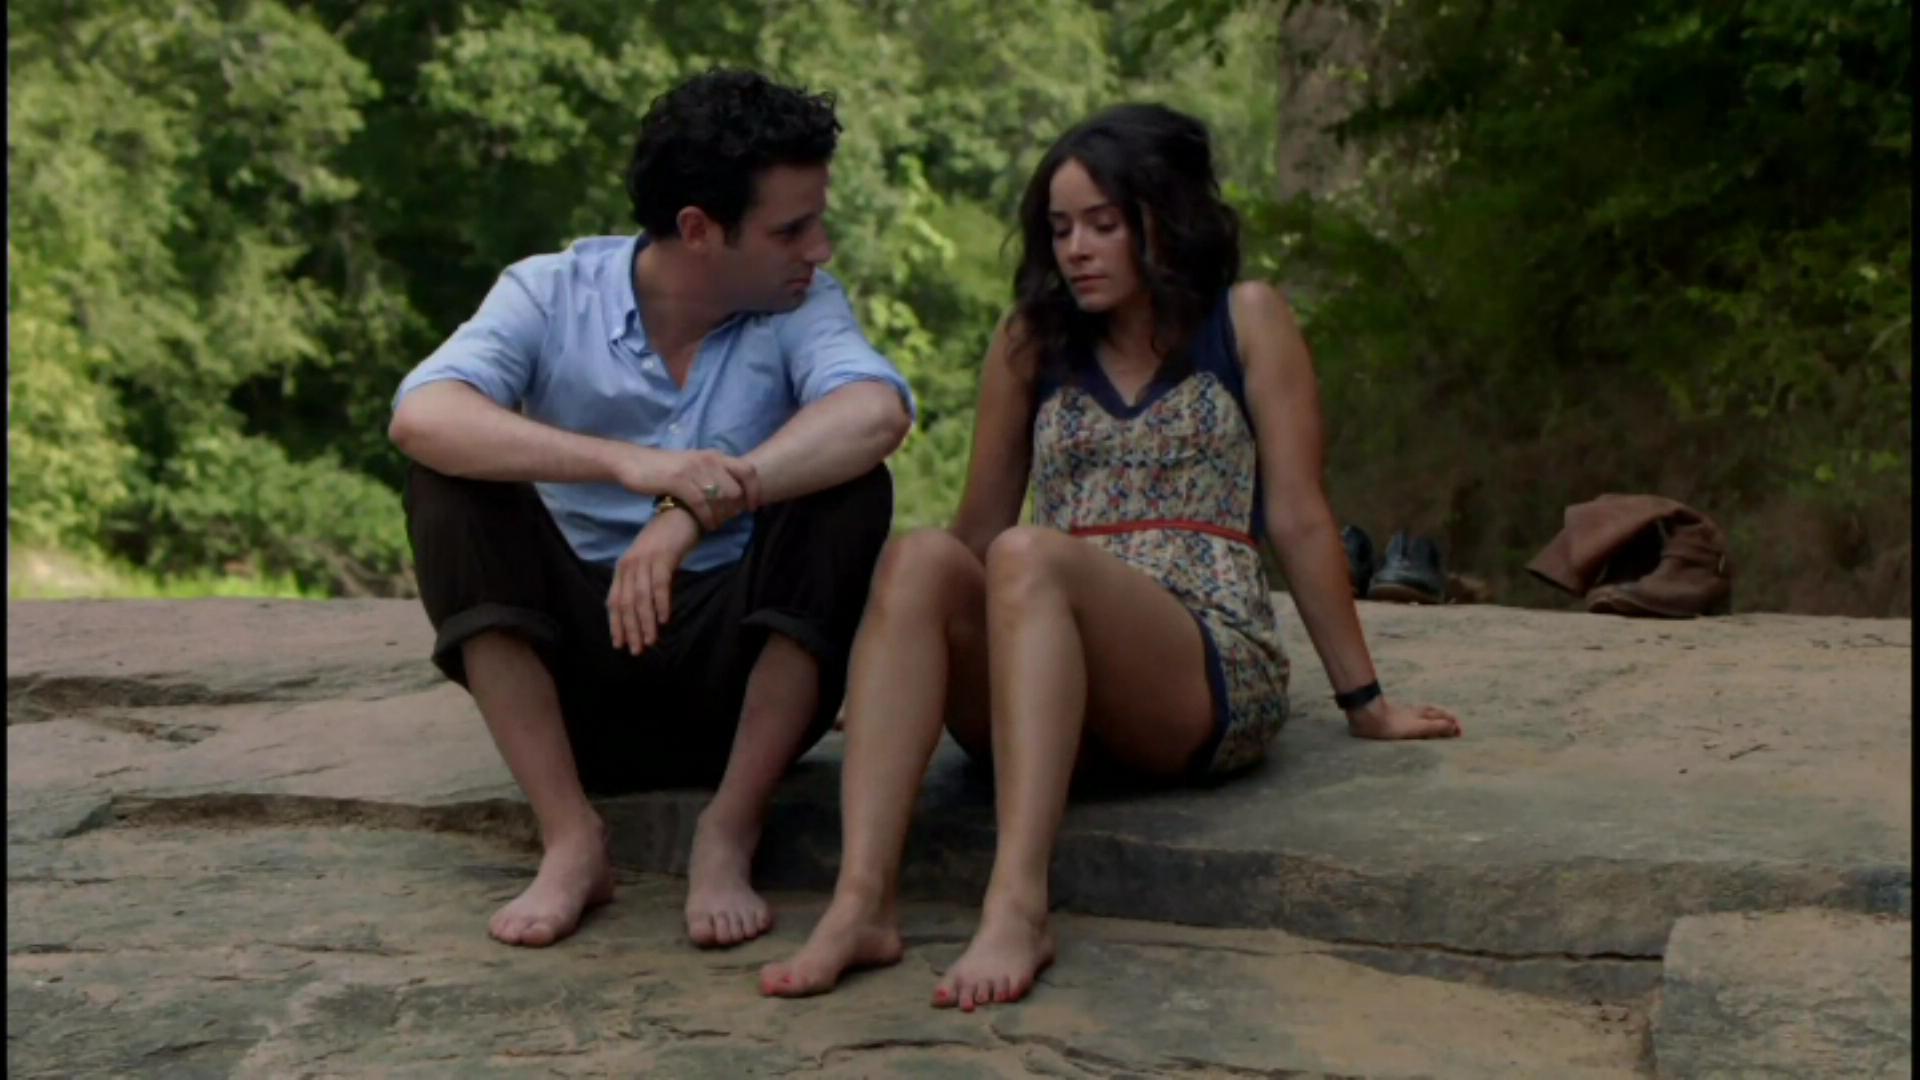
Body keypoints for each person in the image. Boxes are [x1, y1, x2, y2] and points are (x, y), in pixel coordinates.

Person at [759, 103, 1461, 1009]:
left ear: (1164, 219)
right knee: (920, 556)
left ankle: (1018, 907)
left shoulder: (1245, 319)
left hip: (1196, 662)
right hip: (1038, 661)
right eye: (1060, 230)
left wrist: (1365, 702)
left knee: (1028, 556)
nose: (1077, 251)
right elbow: (974, 532)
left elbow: (1297, 515)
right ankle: (861, 904)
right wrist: (893, 674)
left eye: (1102, 224)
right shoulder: (1030, 343)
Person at [387, 69, 914, 952]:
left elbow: (876, 413)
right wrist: (630, 464)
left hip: (739, 678)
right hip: (575, 678)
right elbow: (422, 414)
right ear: (699, 230)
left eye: (817, 222)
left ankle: (730, 827)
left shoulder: (800, 303)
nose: (819, 249)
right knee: (447, 479)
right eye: (791, 229)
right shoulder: (550, 291)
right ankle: (571, 836)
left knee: (851, 488)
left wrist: (692, 507)